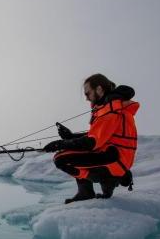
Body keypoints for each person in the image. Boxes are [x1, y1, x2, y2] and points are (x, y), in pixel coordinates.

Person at [43, 74, 139, 204]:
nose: (87, 98)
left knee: (60, 158)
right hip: (115, 155)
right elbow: (100, 136)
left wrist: (60, 144)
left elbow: (92, 143)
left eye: (88, 93)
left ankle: (106, 180)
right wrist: (71, 137)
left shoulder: (110, 110)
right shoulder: (111, 106)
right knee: (73, 150)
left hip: (114, 157)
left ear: (99, 89)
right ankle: (92, 188)